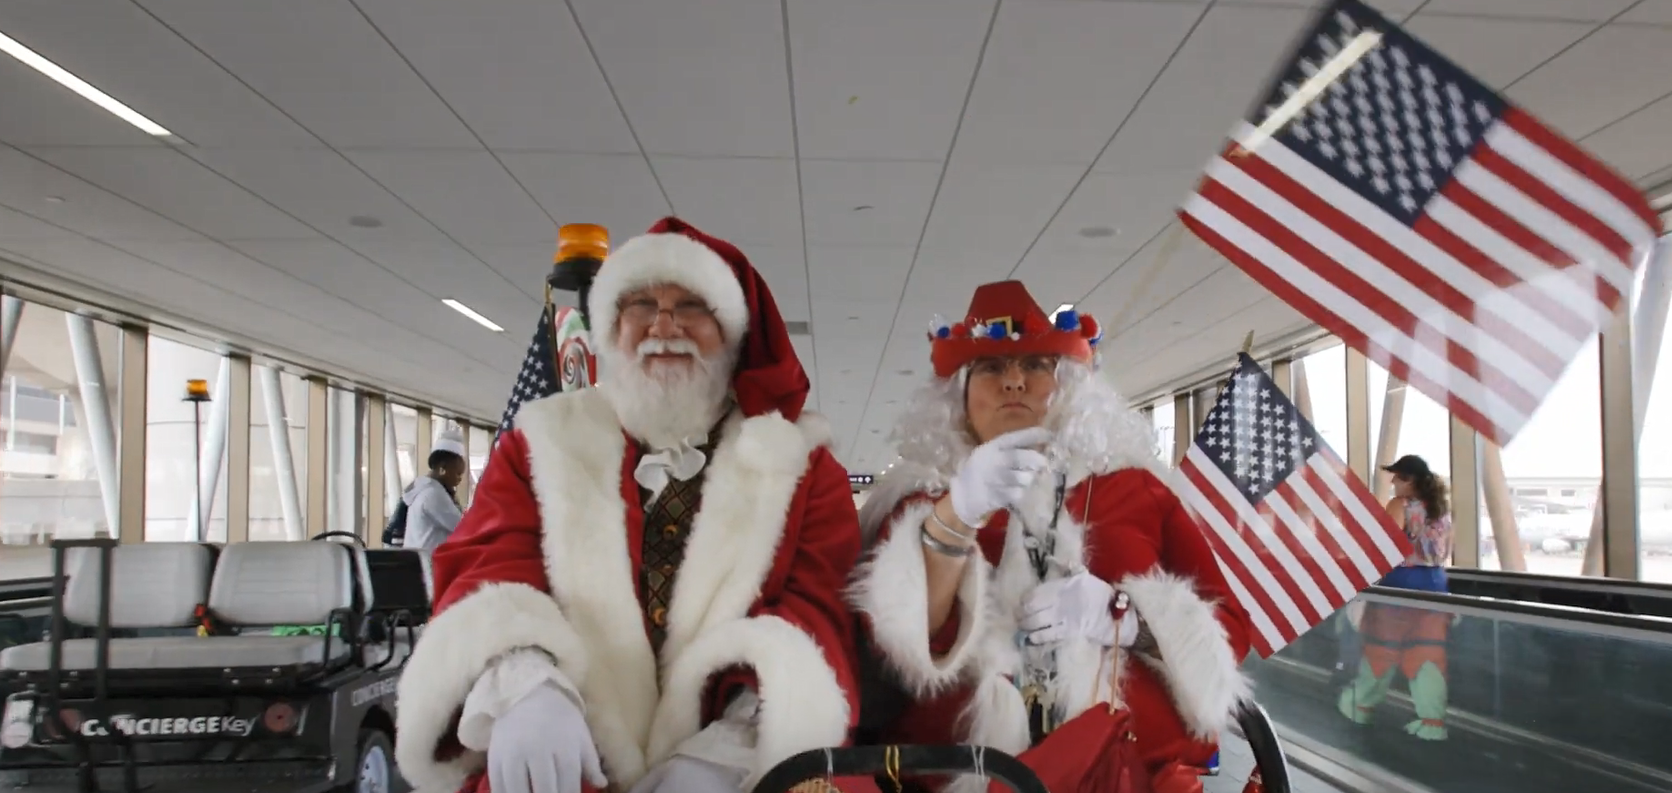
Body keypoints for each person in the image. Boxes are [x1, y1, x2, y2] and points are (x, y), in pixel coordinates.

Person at [394, 218, 869, 793]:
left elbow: (815, 612)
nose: (663, 325)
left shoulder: (802, 465)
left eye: (692, 306)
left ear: (734, 333)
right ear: (611, 327)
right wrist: (525, 687)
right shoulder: (541, 443)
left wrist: (727, 752)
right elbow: (490, 566)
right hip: (571, 763)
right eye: (640, 303)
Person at [850, 281, 1254, 793]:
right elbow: (891, 649)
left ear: (1067, 386)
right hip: (962, 775)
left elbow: (1229, 628)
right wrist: (956, 515)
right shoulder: (920, 502)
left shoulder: (1139, 491)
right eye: (992, 368)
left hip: (1130, 775)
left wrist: (1128, 618)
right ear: (959, 395)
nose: (1014, 382)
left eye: (1037, 365)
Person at [1339, 454, 1453, 740]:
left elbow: (1383, 545)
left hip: (1399, 585)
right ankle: (1432, 723)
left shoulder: (1400, 505)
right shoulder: (1441, 510)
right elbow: (1445, 552)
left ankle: (1359, 706)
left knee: (1381, 649)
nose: (1393, 481)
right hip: (1436, 585)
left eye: (1398, 476)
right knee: (1426, 650)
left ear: (1411, 480)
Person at [401, 431, 468, 551]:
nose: (459, 479)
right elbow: (463, 527)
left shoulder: (425, 489)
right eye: (458, 473)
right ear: (443, 468)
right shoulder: (433, 494)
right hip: (429, 565)